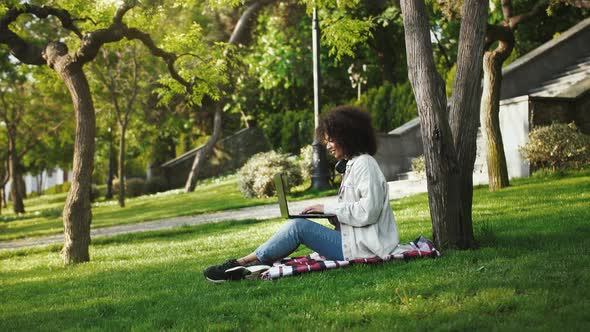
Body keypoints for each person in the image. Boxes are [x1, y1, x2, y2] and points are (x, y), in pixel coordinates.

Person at [203, 105, 400, 283]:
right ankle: (245, 264)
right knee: (299, 225)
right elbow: (355, 212)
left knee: (298, 227)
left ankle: (240, 263)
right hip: (355, 240)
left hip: (365, 247)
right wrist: (329, 215)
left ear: (347, 137)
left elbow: (369, 211)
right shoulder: (354, 165)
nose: (328, 146)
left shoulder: (365, 164)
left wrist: (327, 208)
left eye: (331, 140)